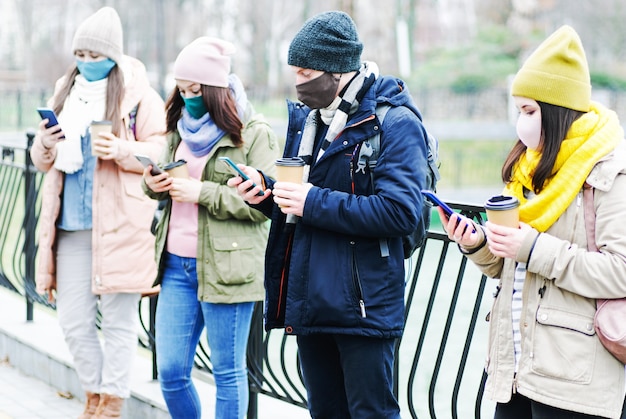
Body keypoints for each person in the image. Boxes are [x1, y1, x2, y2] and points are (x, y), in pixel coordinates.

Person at [229, 11, 429, 418]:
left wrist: (310, 201)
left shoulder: (396, 122)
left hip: (363, 306)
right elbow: (305, 199)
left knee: (371, 412)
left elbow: (401, 212)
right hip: (312, 302)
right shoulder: (312, 121)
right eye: (295, 71)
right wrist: (267, 194)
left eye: (307, 71)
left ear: (339, 69)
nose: (299, 81)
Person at [437, 25, 626, 419]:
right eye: (519, 109)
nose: (520, 122)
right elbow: (510, 265)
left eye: (529, 110)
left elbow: (620, 271)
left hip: (575, 380)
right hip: (515, 370)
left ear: (556, 110)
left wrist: (533, 248)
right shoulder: (529, 169)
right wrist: (477, 243)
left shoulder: (610, 173)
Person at [30, 7, 165, 419]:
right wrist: (46, 143)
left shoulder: (139, 93)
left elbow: (160, 150)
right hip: (69, 227)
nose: (86, 62)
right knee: (72, 322)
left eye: (94, 55)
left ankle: (109, 406)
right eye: (80, 54)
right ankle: (94, 393)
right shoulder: (63, 90)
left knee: (120, 324)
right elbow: (41, 161)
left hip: (121, 225)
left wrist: (122, 150)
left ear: (112, 55)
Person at [141, 37, 279, 419]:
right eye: (182, 89)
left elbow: (264, 205)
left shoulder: (254, 132)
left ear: (216, 89)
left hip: (229, 270)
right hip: (176, 267)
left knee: (228, 374)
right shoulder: (179, 126)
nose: (187, 98)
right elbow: (165, 178)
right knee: (170, 371)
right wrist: (153, 185)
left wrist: (201, 192)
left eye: (195, 90)